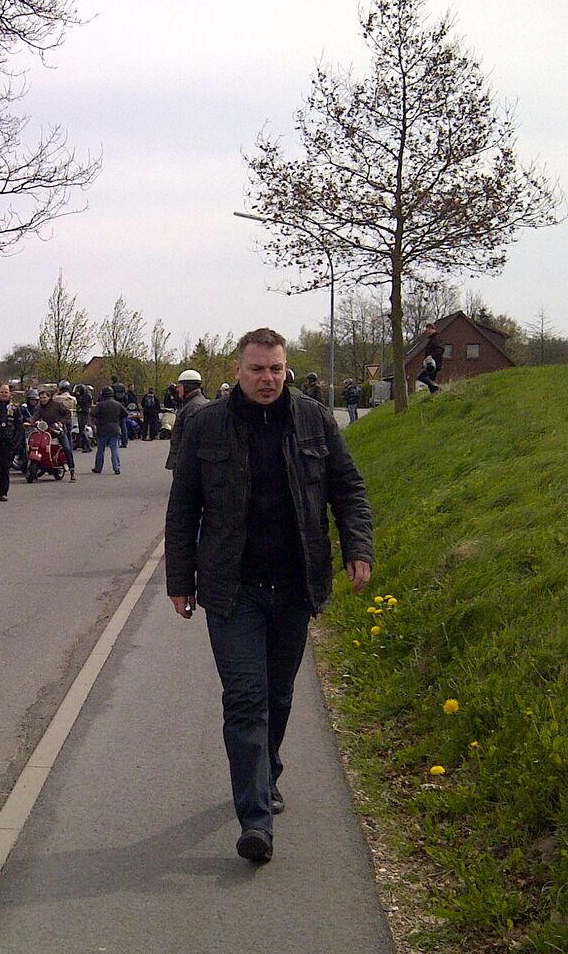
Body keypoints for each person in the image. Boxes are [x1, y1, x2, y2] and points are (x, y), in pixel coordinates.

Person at [165, 328, 374, 863]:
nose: (267, 379)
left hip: (294, 585)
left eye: (276, 369)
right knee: (245, 697)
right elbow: (183, 506)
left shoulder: (313, 419)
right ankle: (255, 819)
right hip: (232, 588)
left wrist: (357, 546)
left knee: (278, 695)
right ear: (237, 371)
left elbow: (348, 488)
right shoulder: (208, 425)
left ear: (287, 370)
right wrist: (179, 579)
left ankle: (268, 770)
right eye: (257, 369)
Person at [164, 368, 209, 472]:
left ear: (188, 387)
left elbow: (191, 438)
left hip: (188, 462)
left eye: (180, 386)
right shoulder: (191, 403)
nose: (177, 390)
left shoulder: (194, 406)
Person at [36, 380, 77, 481]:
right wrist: (29, 422)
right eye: (41, 398)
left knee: (67, 448)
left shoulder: (57, 405)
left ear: (49, 397)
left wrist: (61, 422)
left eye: (44, 397)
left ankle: (72, 471)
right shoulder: (40, 408)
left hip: (58, 432)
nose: (43, 400)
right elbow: (35, 415)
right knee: (39, 446)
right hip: (46, 432)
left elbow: (67, 414)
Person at [92, 386, 127, 474]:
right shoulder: (118, 404)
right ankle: (116, 467)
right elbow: (125, 414)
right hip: (115, 428)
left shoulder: (100, 405)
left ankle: (98, 467)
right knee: (114, 448)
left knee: (101, 449)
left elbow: (92, 413)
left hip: (102, 429)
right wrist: (118, 419)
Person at [420, 325, 445, 394]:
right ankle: (435, 394)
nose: (427, 332)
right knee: (430, 380)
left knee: (421, 376)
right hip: (429, 363)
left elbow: (440, 349)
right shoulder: (431, 339)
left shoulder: (437, 338)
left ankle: (437, 388)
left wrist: (431, 356)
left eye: (428, 330)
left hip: (434, 364)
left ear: (432, 329)